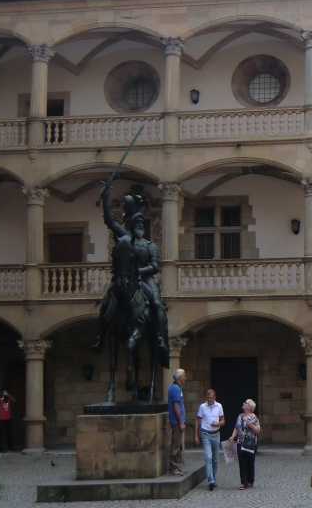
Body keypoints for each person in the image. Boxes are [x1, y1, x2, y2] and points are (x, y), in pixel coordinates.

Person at [92, 194, 169, 363]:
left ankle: (161, 340)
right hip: (125, 279)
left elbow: (155, 266)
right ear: (132, 225)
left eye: (142, 223)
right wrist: (106, 200)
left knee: (157, 304)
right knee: (106, 302)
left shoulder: (150, 246)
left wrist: (139, 270)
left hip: (146, 279)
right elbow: (110, 222)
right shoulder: (125, 239)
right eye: (137, 223)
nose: (140, 226)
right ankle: (100, 336)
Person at [195, 389, 225, 491]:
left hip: (216, 434)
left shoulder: (219, 406)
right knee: (208, 456)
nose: (209, 399)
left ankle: (214, 478)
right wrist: (196, 434)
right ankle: (210, 480)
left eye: (211, 397)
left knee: (215, 458)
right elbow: (197, 420)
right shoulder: (202, 407)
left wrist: (219, 424)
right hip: (205, 434)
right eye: (207, 397)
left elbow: (223, 420)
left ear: (214, 397)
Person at [228, 398, 260, 489]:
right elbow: (236, 428)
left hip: (250, 443)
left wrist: (251, 425)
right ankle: (243, 483)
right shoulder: (240, 416)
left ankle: (250, 481)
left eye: (245, 403)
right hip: (240, 442)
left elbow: (257, 431)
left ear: (249, 407)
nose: (243, 403)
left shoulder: (253, 417)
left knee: (250, 462)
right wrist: (232, 436)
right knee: (242, 462)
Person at [167, 369, 188, 476]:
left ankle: (177, 467)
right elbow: (176, 406)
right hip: (176, 421)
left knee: (179, 444)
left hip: (177, 421)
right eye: (184, 376)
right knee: (176, 444)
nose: (185, 377)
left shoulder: (176, 388)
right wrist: (181, 422)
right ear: (179, 377)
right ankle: (174, 468)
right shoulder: (175, 389)